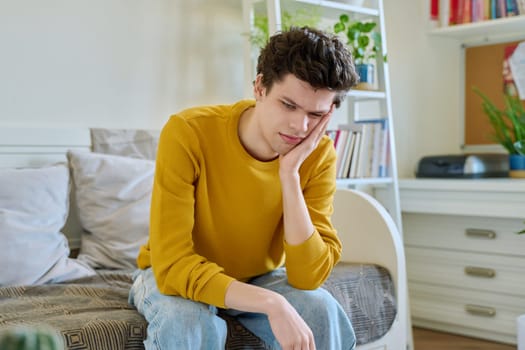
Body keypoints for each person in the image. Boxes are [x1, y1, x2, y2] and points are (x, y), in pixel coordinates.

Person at [129, 26, 359, 350]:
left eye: (315, 114)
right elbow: (172, 265)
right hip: (176, 275)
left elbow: (307, 278)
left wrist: (290, 175)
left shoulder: (318, 155)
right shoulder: (187, 133)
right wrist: (272, 303)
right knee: (187, 322)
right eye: (289, 105)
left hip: (257, 276)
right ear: (260, 87)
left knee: (321, 310)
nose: (300, 126)